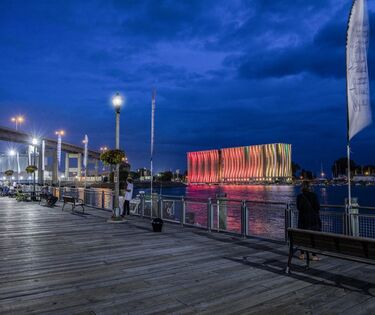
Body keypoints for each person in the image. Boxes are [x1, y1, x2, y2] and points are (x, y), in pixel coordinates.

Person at [296, 180, 322, 261]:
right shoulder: (314, 195)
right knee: (313, 237)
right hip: (313, 221)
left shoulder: (299, 196)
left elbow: (298, 208)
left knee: (303, 237)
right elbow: (317, 207)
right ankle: (313, 255)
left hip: (302, 221)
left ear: (302, 187)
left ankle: (302, 254)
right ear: (310, 187)